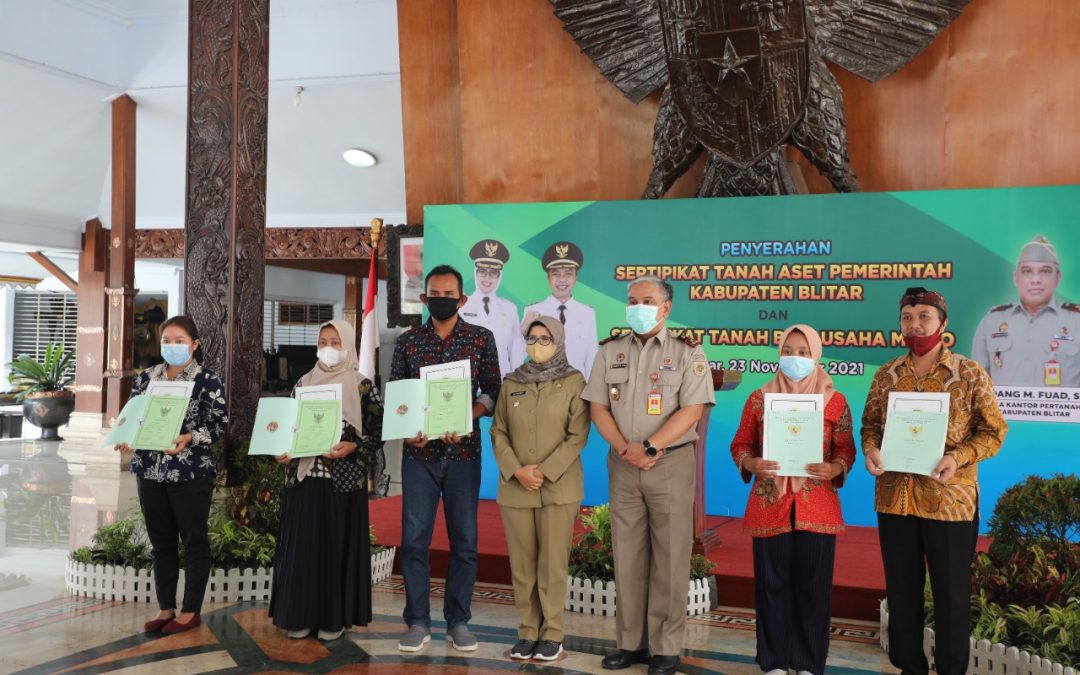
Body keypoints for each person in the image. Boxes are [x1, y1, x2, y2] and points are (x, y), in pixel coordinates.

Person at [863, 287, 1007, 675]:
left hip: (950, 501)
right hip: (896, 499)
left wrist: (955, 457)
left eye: (924, 316)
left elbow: (993, 432)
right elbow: (870, 426)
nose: (915, 324)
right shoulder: (887, 374)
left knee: (952, 596)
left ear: (943, 323)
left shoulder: (969, 373)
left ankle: (951, 669)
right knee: (902, 592)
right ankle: (910, 666)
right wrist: (871, 451)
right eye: (907, 316)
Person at [581, 275, 715, 675]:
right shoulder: (611, 351)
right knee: (628, 556)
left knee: (671, 559)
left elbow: (692, 410)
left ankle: (665, 647)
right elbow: (598, 407)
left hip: (669, 464)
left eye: (648, 300)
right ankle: (631, 644)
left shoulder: (687, 352)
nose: (638, 306)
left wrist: (651, 447)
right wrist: (626, 449)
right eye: (632, 300)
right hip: (623, 465)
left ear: (666, 308)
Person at [729, 324, 856, 675]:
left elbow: (846, 450)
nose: (795, 359)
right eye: (788, 351)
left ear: (816, 355)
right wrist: (750, 462)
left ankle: (807, 662)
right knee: (771, 584)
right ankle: (773, 661)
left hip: (817, 504)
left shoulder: (835, 401)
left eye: (803, 352)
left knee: (813, 587)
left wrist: (835, 468)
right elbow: (741, 444)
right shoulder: (759, 398)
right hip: (771, 502)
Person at [390, 264, 502, 653]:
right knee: (415, 541)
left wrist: (466, 416)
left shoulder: (480, 339)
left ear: (462, 298)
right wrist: (409, 430)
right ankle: (417, 621)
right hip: (418, 456)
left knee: (465, 543)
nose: (440, 299)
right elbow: (398, 398)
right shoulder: (407, 342)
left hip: (463, 453)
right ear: (424, 299)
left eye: (447, 294)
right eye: (433, 294)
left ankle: (458, 621)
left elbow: (493, 391)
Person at [268, 319, 383, 641]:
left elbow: (377, 432)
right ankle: (300, 616)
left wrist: (354, 446)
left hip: (342, 482)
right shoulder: (303, 382)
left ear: (347, 345)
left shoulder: (362, 385)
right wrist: (284, 450)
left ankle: (333, 619)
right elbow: (290, 426)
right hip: (304, 478)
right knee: (302, 548)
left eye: (336, 341)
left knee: (334, 548)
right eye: (323, 341)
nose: (329, 348)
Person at [113, 315, 228, 635]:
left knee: (193, 541)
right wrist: (125, 436)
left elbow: (217, 425)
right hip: (149, 470)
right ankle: (166, 608)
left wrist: (189, 438)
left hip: (190, 472)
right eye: (167, 341)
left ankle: (190, 610)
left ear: (194, 345)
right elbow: (134, 417)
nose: (172, 346)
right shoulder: (147, 377)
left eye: (179, 341)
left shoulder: (208, 380)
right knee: (161, 541)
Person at [491, 316, 590, 662]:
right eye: (531, 337)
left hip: (558, 489)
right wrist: (517, 470)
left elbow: (577, 435)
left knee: (552, 564)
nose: (537, 343)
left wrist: (543, 472)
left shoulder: (575, 381)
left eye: (545, 338)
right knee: (523, 566)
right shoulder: (512, 381)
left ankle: (553, 634)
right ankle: (528, 632)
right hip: (517, 488)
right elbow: (498, 431)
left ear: (559, 340)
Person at [971, 235, 1080, 386]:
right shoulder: (991, 322)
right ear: (1016, 277)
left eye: (1045, 271)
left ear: (1058, 278)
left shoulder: (1077, 321)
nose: (1036, 279)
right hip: (1002, 410)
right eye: (1027, 271)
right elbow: (977, 383)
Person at [523, 241, 598, 376]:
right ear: (548, 278)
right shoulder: (533, 311)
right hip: (543, 386)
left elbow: (591, 358)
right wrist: (523, 331)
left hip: (578, 388)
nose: (562, 279)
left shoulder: (587, 313)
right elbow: (521, 354)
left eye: (568, 273)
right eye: (556, 274)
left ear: (576, 278)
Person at [458, 239, 525, 377]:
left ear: (500, 276)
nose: (487, 278)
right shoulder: (461, 306)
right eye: (482, 271)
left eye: (493, 273)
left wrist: (513, 385)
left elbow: (516, 351)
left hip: (502, 384)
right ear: (475, 273)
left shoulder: (510, 308)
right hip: (470, 384)